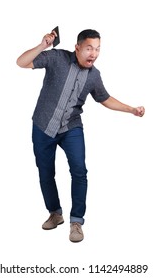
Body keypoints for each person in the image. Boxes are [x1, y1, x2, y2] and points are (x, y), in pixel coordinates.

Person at [16, 29, 145, 243]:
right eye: (88, 48)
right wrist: (42, 45)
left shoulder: (94, 75)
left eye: (97, 49)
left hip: (71, 128)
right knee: (45, 172)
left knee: (79, 170)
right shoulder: (56, 58)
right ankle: (55, 213)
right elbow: (21, 62)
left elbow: (105, 98)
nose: (93, 53)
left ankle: (76, 221)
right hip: (43, 125)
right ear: (77, 48)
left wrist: (131, 109)